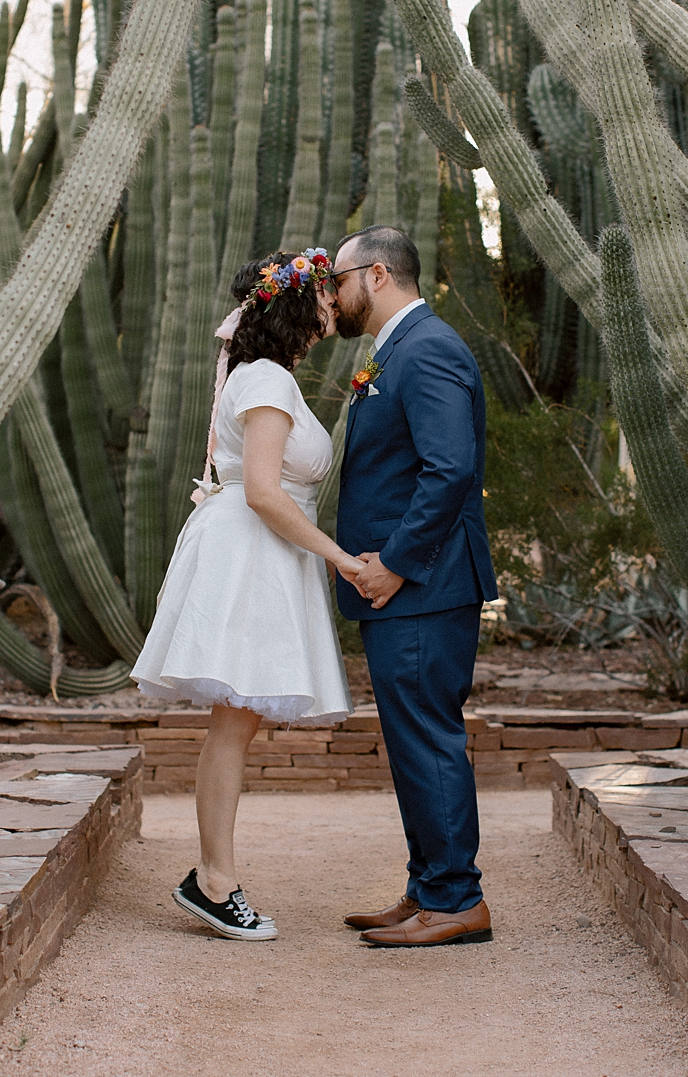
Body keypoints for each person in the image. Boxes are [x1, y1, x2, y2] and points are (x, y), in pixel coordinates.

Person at [135, 247, 359, 942]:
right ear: (298, 304)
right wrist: (339, 558)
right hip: (252, 551)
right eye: (323, 293)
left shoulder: (262, 373)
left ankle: (212, 875)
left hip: (257, 550)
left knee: (234, 722)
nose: (332, 304)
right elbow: (263, 490)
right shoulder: (264, 377)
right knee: (233, 723)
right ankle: (213, 880)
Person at [329, 224, 498, 948]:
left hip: (423, 585)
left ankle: (458, 899)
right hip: (407, 588)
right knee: (412, 738)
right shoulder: (396, 349)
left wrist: (393, 562)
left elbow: (450, 469)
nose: (332, 295)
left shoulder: (426, 349)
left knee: (428, 736)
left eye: (338, 279)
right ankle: (430, 884)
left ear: (373, 275)